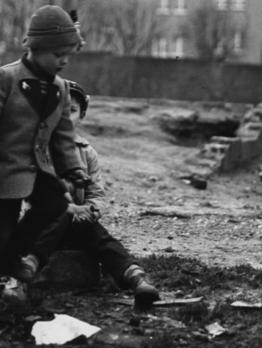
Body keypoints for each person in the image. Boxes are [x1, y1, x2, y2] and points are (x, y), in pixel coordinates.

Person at [0, 5, 89, 305]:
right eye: (58, 53)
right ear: (37, 47)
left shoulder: (59, 88)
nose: (64, 60)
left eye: (68, 54)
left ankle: (10, 260)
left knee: (57, 204)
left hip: (35, 171)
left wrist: (73, 171)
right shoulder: (4, 77)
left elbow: (63, 135)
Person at [13, 81, 161, 309]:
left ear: (81, 115)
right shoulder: (38, 149)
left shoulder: (86, 152)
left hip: (76, 225)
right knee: (58, 211)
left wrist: (91, 210)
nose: (64, 117)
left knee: (100, 237)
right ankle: (22, 275)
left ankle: (135, 278)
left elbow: (96, 192)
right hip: (41, 225)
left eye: (71, 111)